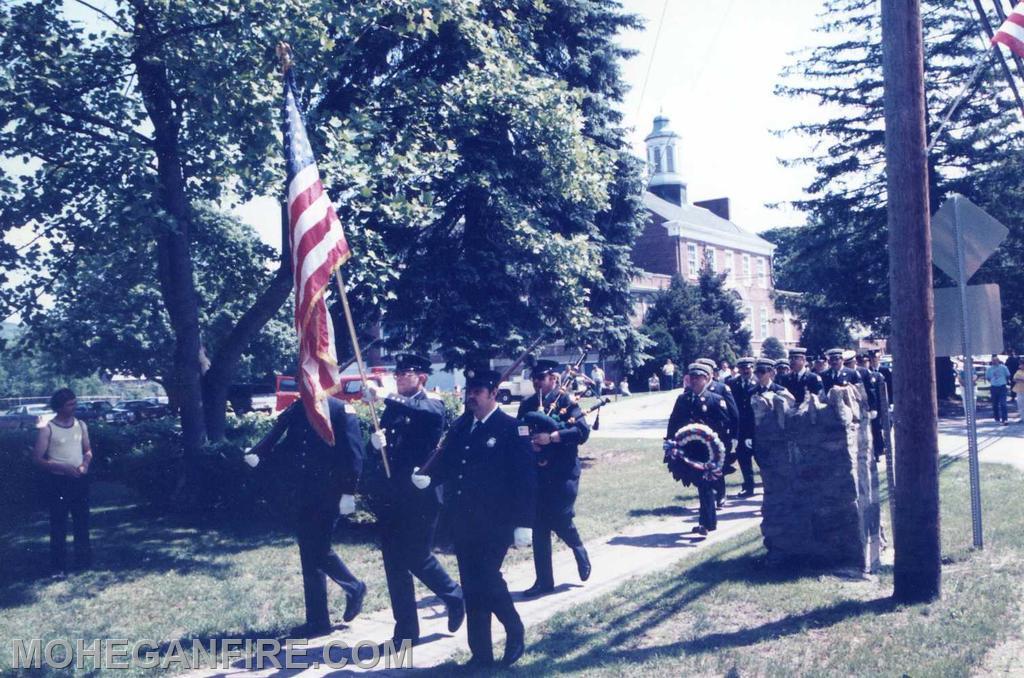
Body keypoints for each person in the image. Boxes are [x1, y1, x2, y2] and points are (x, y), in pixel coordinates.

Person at [410, 368, 536, 667]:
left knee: (487, 578)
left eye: (478, 392)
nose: (471, 397)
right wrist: (429, 478)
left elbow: (526, 479)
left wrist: (524, 523)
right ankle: (481, 654)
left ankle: (514, 627)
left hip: (497, 521)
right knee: (472, 585)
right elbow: (451, 463)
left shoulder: (511, 428)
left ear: (494, 393)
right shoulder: (464, 426)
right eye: (469, 391)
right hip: (463, 521)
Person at [361, 353, 464, 646]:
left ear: (422, 378)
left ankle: (453, 594)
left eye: (406, 374)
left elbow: (427, 416)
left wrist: (386, 396)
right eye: (398, 374)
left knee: (417, 554)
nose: (399, 378)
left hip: (421, 494)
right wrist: (375, 443)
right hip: (393, 492)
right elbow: (387, 442)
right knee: (394, 561)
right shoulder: (394, 408)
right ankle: (406, 631)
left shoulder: (432, 403)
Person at [244, 396, 366, 638]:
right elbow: (289, 447)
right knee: (309, 554)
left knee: (318, 549)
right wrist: (261, 454)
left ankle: (355, 586)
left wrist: (348, 491)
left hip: (330, 492)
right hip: (304, 491)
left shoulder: (340, 409)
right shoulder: (299, 408)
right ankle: (318, 621)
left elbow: (354, 453)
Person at [516, 359, 591, 598]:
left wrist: (553, 437)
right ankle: (544, 581)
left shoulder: (566, 401)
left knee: (560, 517)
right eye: (534, 379)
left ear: (553, 378)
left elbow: (581, 432)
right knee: (539, 525)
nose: (537, 383)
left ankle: (578, 549)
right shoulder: (527, 404)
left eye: (542, 378)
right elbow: (520, 431)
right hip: (537, 472)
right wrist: (530, 444)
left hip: (562, 471)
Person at [665, 363, 731, 535]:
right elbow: (673, 422)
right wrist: (670, 443)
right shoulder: (683, 399)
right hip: (689, 450)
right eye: (691, 377)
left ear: (707, 379)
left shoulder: (715, 400)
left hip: (708, 452)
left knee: (705, 485)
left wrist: (722, 451)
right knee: (701, 486)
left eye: (698, 377)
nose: (693, 380)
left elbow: (724, 426)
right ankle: (708, 522)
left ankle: (706, 523)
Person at [33, 388, 93, 573]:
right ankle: (58, 566)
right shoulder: (48, 428)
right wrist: (62, 468)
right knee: (59, 525)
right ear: (59, 406)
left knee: (82, 523)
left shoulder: (81, 425)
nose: (74, 407)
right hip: (58, 483)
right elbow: (37, 459)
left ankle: (83, 564)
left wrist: (85, 464)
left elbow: (88, 451)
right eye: (70, 404)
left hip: (79, 481)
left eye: (75, 403)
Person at [696, 358, 738, 508]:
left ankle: (721, 494)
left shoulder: (721, 388)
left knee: (717, 466)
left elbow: (733, 415)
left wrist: (733, 436)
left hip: (718, 436)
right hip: (698, 438)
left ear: (711, 372)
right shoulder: (692, 389)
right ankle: (707, 496)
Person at [725, 357, 757, 498]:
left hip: (756, 427)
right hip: (740, 428)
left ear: (752, 368)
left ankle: (769, 486)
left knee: (761, 458)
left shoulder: (759, 382)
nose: (745, 371)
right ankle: (748, 486)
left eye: (748, 368)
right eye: (742, 368)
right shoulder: (732, 383)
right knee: (743, 459)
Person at [986, 355, 1011, 425]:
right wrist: (993, 382)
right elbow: (988, 378)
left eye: (996, 360)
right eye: (993, 361)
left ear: (998, 361)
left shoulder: (1003, 367)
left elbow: (1008, 375)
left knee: (1003, 403)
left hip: (1002, 387)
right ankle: (997, 418)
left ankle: (1005, 419)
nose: (994, 362)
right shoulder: (989, 369)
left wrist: (1004, 382)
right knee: (995, 404)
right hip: (994, 387)